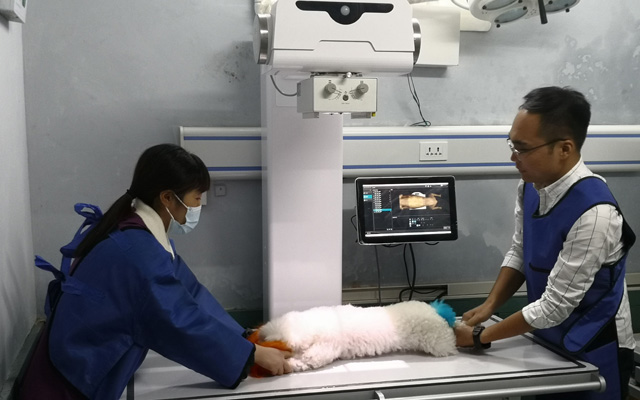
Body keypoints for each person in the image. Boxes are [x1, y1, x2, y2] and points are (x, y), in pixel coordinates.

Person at [18, 144, 291, 400]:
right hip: (66, 386)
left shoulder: (138, 232)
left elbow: (190, 293)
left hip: (71, 363)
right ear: (168, 198)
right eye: (196, 198)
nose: (198, 207)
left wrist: (244, 338)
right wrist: (251, 356)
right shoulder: (138, 255)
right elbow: (178, 321)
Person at [455, 86, 636, 400]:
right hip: (548, 338)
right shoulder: (531, 187)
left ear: (564, 148)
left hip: (595, 346)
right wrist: (489, 306)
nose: (513, 157)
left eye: (522, 149)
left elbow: (555, 305)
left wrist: (481, 337)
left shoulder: (595, 213)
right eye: (512, 144)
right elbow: (521, 250)